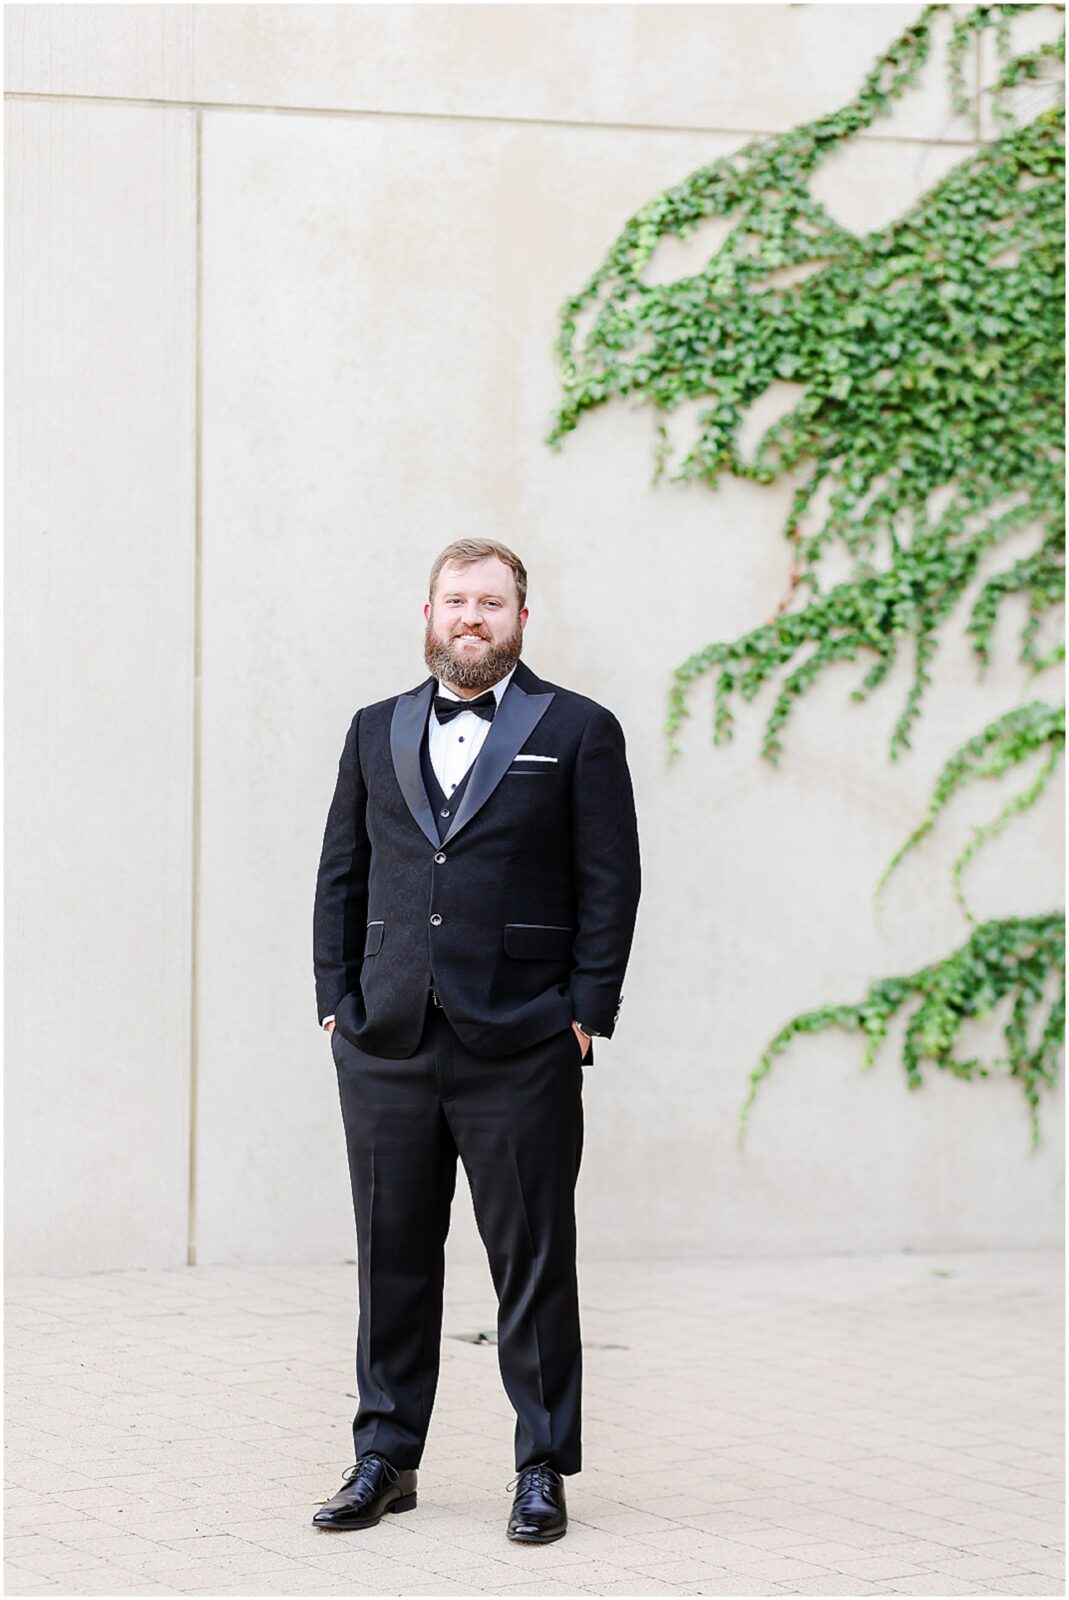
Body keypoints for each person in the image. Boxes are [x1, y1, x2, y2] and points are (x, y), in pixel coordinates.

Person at [311, 537, 641, 1543]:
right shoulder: (374, 729)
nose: (472, 616)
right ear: (427, 613)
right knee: (391, 1258)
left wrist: (585, 1014)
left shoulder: (577, 729)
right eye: (456, 600)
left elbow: (609, 880)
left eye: (491, 602)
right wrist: (336, 999)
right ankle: (385, 1456)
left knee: (533, 1262)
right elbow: (340, 872)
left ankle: (541, 1466)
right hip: (388, 1042)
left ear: (520, 620)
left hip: (522, 1042)